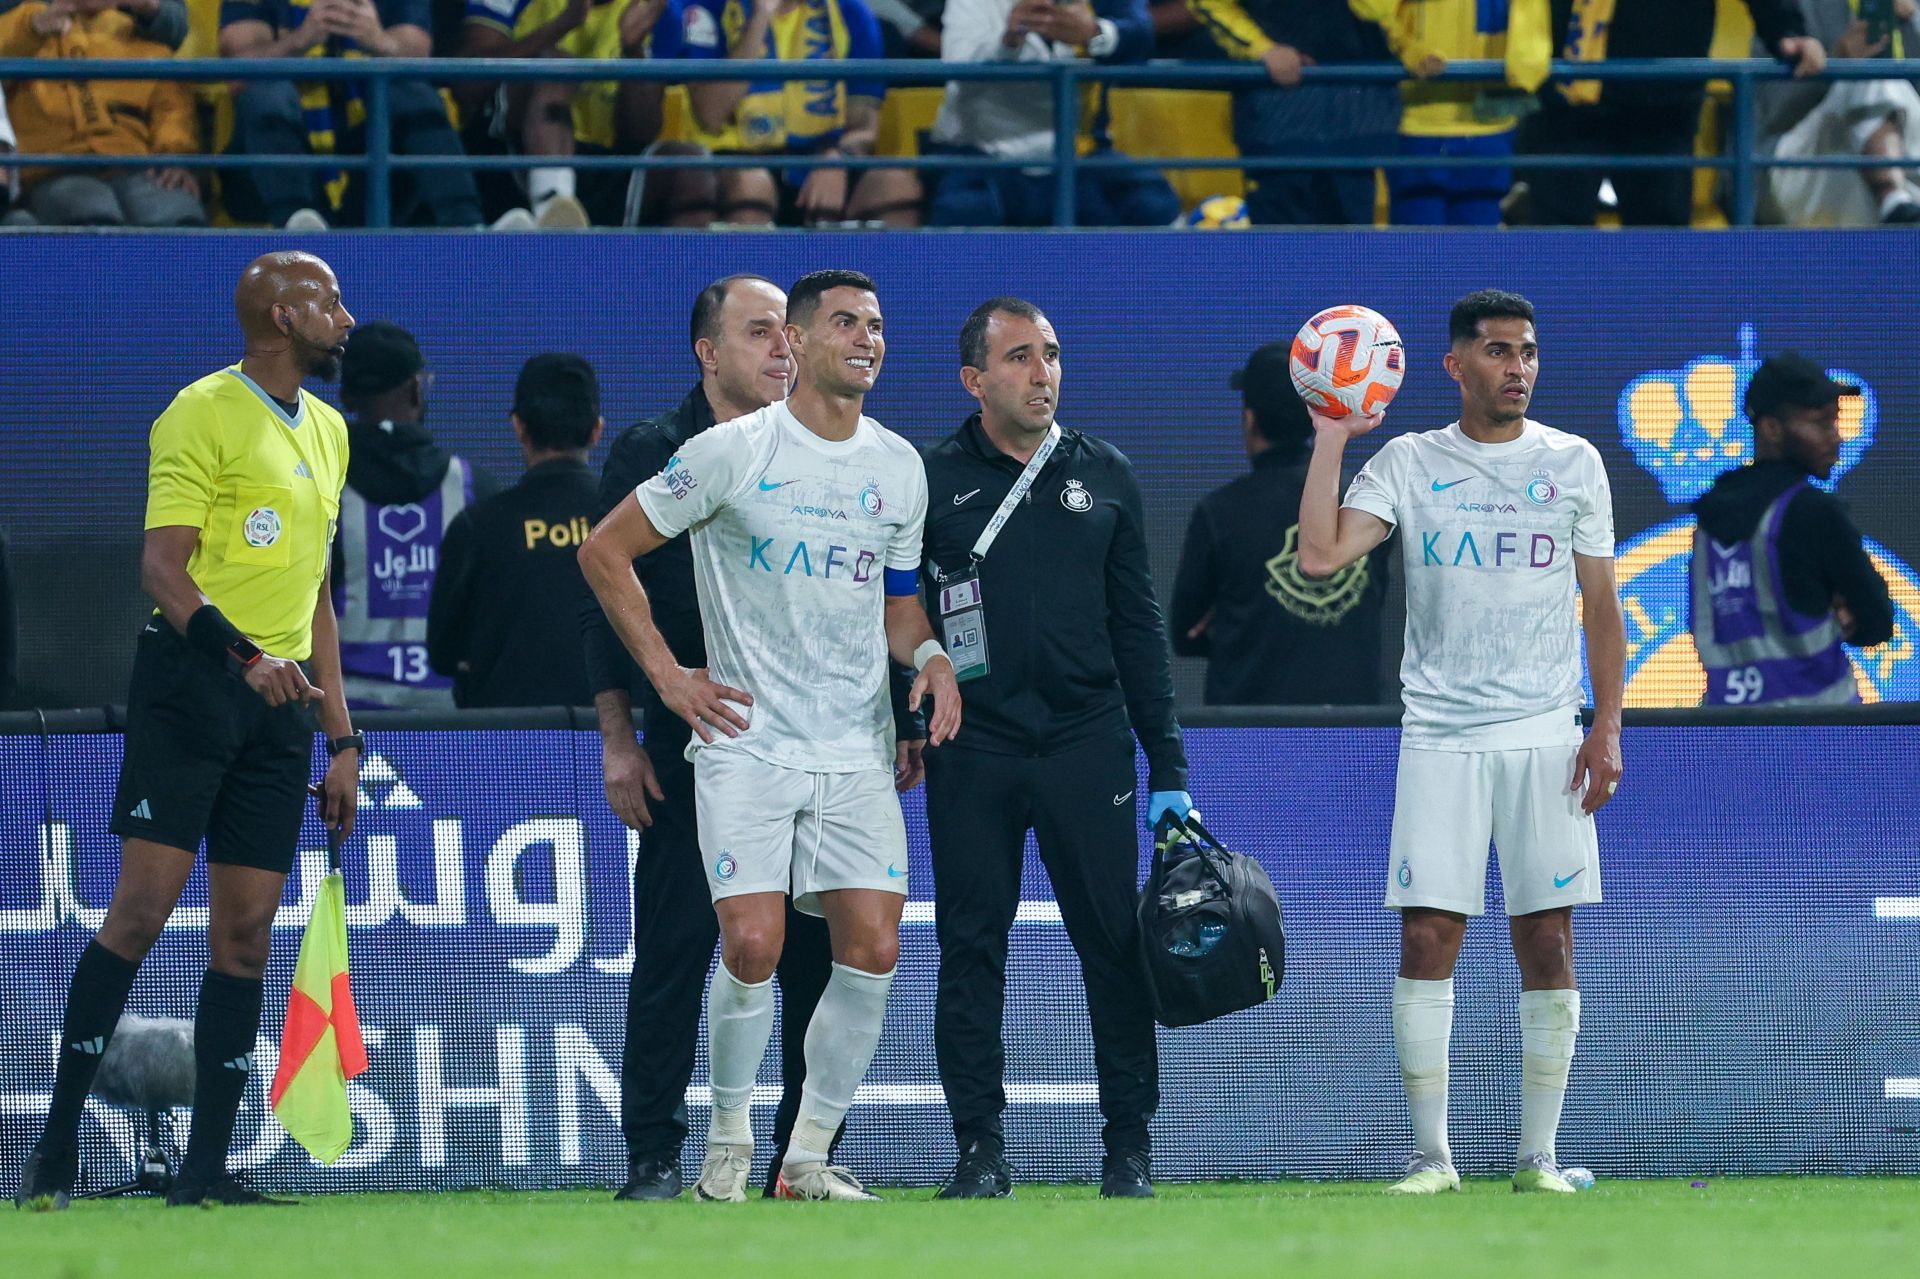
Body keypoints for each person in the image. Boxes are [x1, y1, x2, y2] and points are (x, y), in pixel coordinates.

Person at [580, 269, 960, 1203]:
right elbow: (603, 551)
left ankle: (805, 1159)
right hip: (747, 743)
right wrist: (667, 680)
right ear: (796, 341)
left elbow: (899, 610)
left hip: (856, 747)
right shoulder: (729, 452)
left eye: (876, 323)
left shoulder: (899, 467)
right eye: (844, 323)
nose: (867, 338)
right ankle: (722, 1148)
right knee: (748, 946)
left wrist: (934, 660)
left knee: (872, 948)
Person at [12, 252, 362, 1210]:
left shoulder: (330, 430)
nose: (346, 317)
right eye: (330, 302)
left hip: (281, 711)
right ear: (285, 316)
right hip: (194, 691)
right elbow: (164, 572)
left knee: (246, 936)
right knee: (141, 914)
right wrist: (247, 656)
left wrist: (340, 738)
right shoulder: (198, 411)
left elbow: (318, 595)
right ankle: (54, 1147)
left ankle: (204, 1172)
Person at [1297, 289, 1625, 1195]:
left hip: (1544, 734)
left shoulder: (1574, 461)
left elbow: (1601, 603)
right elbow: (1320, 555)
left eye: (1526, 351)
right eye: (1495, 351)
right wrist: (1332, 432)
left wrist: (1606, 723)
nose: (1515, 367)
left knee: (1548, 941)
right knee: (1430, 936)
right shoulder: (1408, 460)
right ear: (1453, 365)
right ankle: (1432, 1156)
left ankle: (1538, 1158)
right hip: (1440, 735)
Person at [918, 297, 1190, 1200]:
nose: (1044, 374)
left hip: (1086, 745)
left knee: (1112, 946)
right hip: (973, 749)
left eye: (1053, 356)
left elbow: (1140, 627)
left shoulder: (1103, 473)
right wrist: (901, 718)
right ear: (975, 379)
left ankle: (1128, 1147)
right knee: (970, 948)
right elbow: (896, 616)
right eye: (1022, 358)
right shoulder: (930, 479)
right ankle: (979, 1150)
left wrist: (1169, 767)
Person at [1170, 340, 1390, 704]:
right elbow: (1374, 599)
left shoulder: (1221, 512)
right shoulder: (1368, 499)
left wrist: (1246, 626)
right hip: (1358, 735)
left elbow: (1186, 633)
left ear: (1249, 419)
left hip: (1249, 737)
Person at [1690, 352, 1894, 704]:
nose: (1836, 438)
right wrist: (1839, 611)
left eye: (1835, 421)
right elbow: (1877, 621)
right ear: (1771, 429)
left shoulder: (1707, 521)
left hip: (1730, 734)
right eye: (1821, 423)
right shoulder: (1813, 511)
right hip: (1821, 733)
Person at [1521, 0, 1823, 227]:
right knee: (1558, 248)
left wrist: (1786, 30)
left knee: (1659, 254)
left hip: (1662, 106)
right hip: (1564, 103)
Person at [332, 322, 499, 709]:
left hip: (347, 716)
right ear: (414, 389)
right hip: (450, 715)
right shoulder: (473, 486)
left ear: (346, 397)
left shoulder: (325, 489)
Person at [218, 0, 492, 229]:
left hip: (369, 164)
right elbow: (239, 72)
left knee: (409, 89)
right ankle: (296, 226)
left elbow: (417, 51)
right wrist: (301, 39)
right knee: (267, 92)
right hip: (272, 164)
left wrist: (379, 41)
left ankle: (467, 226)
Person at [426, 354, 602, 708]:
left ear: (518, 426)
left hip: (507, 748)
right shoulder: (635, 519)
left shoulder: (477, 526)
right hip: (623, 744)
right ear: (596, 430)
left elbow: (443, 652)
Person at [455, 0, 716, 228]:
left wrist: (633, 51)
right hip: (509, 154)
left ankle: (687, 279)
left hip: (599, 164)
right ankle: (553, 207)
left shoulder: (653, 10)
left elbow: (639, 135)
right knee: (557, 66)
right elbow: (468, 86)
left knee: (689, 165)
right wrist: (562, 24)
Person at [926, 0, 1180, 228]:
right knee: (963, 211)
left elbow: (1140, 34)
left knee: (1155, 207)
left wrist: (1093, 33)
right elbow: (959, 71)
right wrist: (1009, 40)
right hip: (984, 150)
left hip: (1080, 153)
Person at [673, 0, 922, 226]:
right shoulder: (707, 8)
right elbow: (710, 115)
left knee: (895, 186)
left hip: (821, 161)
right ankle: (749, 275)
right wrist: (760, 17)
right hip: (734, 164)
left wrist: (838, 159)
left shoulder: (851, 13)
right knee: (752, 184)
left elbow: (864, 128)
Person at [1184, 0, 1399, 225]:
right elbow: (1207, 4)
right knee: (1280, 249)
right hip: (1278, 119)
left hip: (1358, 121)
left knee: (1349, 250)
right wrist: (1262, 49)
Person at [0, 0, 207, 228]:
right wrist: (33, 27)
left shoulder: (143, 39)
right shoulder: (26, 24)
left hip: (133, 166)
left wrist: (175, 157)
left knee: (178, 215)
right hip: (54, 171)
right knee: (90, 209)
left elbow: (172, 109)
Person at [1351, 0, 1549, 227]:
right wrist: (1411, 51)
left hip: (1491, 125)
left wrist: (1527, 71)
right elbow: (1370, 9)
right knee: (1420, 253)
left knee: (1475, 252)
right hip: (1420, 126)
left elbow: (1533, 36)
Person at [1760, 0, 1920, 226]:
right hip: (1805, 164)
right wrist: (1837, 61)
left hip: (1899, 164)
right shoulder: (1789, 9)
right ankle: (1892, 196)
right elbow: (1773, 108)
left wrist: (1912, 23)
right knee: (1870, 75)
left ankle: (1897, 204)